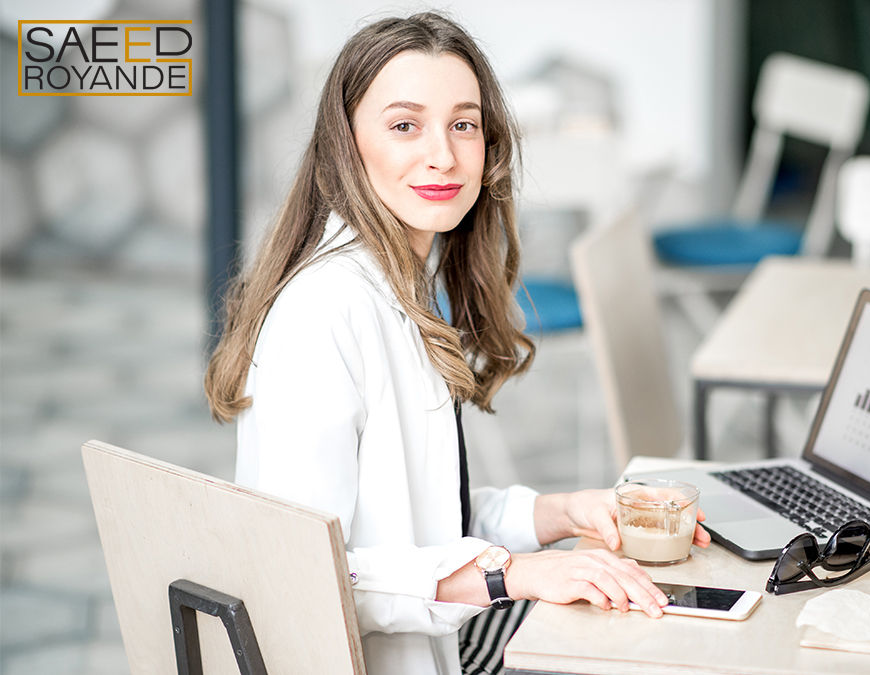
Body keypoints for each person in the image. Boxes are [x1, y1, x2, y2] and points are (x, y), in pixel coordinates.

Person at [203, 12, 709, 675]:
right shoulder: (324, 312)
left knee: (650, 626)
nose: (443, 154)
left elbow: (428, 512)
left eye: (463, 124)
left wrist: (565, 512)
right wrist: (513, 576)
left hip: (436, 642)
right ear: (345, 144)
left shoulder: (398, 282)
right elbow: (307, 568)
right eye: (404, 125)